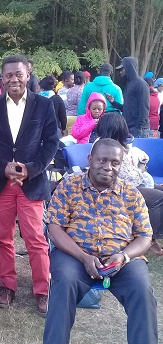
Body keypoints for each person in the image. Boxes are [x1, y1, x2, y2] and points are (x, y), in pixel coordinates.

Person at [43, 138, 157, 344]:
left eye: (115, 163)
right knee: (64, 283)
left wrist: (124, 256)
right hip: (75, 256)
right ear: (90, 159)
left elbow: (144, 236)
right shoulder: (69, 186)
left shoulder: (131, 194)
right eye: (102, 160)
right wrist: (84, 257)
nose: (108, 167)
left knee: (142, 290)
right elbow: (54, 228)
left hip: (122, 259)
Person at [0, 54, 59, 315]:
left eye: (18, 74)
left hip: (31, 183)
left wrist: (30, 169)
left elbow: (51, 143)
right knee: (2, 238)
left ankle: (42, 290)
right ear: (2, 77)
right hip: (0, 183)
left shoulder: (43, 107)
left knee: (36, 238)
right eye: (8, 75)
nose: (14, 79)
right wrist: (2, 167)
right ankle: (7, 286)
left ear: (28, 73)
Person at [96, 112, 163, 255]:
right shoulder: (111, 147)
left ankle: (151, 235)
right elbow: (127, 177)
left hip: (128, 183)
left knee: (160, 192)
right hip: (117, 187)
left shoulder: (112, 144)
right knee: (158, 198)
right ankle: (150, 239)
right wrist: (141, 169)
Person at [116, 57, 150, 138]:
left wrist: (138, 127)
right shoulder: (129, 84)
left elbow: (144, 108)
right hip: (129, 127)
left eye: (122, 69)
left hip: (139, 129)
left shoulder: (141, 84)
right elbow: (128, 108)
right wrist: (114, 102)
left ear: (129, 68)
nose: (121, 72)